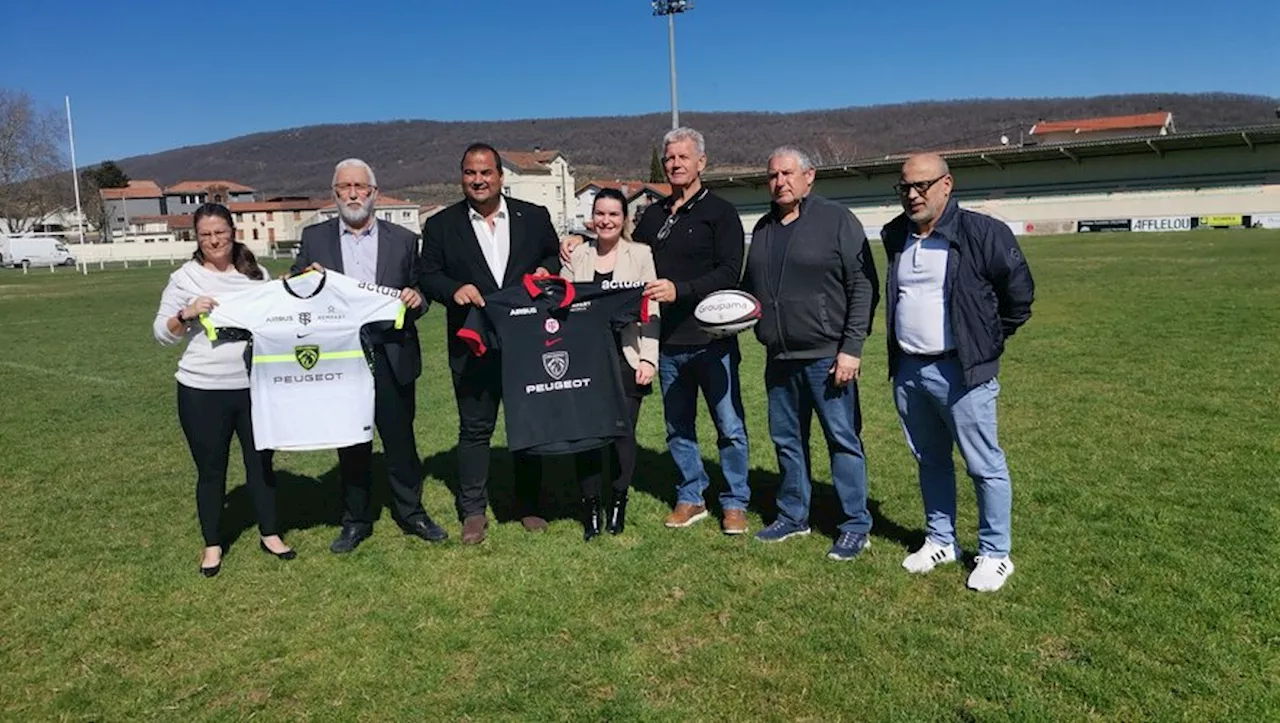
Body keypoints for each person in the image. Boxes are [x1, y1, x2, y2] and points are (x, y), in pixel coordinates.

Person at [562, 127, 750, 534]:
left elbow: (730, 272)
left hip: (711, 339)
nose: (676, 164)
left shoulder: (721, 213)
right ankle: (690, 496)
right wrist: (580, 235)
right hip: (666, 341)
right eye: (669, 158)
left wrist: (680, 290)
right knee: (677, 427)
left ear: (702, 162)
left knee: (729, 425)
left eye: (684, 157)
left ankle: (735, 502)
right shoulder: (654, 215)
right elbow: (620, 242)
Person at [881, 153, 1035, 592]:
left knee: (984, 465)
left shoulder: (984, 233)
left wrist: (984, 342)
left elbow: (1018, 298)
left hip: (963, 372)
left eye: (922, 186)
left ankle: (994, 552)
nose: (912, 195)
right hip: (910, 370)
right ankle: (941, 540)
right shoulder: (895, 234)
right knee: (929, 460)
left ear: (947, 185)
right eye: (905, 187)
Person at [292, 158, 446, 553]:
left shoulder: (404, 239)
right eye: (345, 187)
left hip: (392, 355)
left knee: (400, 442)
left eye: (361, 186)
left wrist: (418, 299)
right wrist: (302, 279)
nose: (354, 193)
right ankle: (356, 520)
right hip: (341, 360)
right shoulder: (315, 239)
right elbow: (294, 288)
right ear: (335, 194)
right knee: (351, 443)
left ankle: (411, 513)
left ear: (374, 193)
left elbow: (420, 289)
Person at [741, 147, 880, 560]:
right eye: (772, 175)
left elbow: (863, 287)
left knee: (842, 439)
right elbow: (752, 289)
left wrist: (850, 349)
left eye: (787, 173)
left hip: (827, 356)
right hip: (780, 357)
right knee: (787, 440)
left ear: (809, 177)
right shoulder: (764, 228)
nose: (779, 181)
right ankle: (793, 514)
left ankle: (855, 524)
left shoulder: (837, 220)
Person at [420, 143, 561, 545]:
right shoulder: (442, 225)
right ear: (461, 176)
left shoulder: (533, 217)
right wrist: (453, 289)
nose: (478, 180)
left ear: (501, 176)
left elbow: (552, 255)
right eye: (469, 173)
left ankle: (530, 504)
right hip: (472, 343)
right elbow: (427, 274)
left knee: (528, 425)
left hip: (526, 342)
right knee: (475, 429)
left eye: (485, 173)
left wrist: (544, 269)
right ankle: (474, 510)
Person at [153, 203, 293, 576]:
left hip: (253, 387)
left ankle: (271, 533)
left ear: (233, 232)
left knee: (261, 465)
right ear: (196, 239)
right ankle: (213, 545)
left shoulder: (256, 274)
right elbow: (161, 334)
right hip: (201, 390)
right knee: (211, 471)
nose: (214, 240)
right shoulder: (184, 278)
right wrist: (186, 314)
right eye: (205, 235)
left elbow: (276, 320)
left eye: (220, 232)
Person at [562, 188, 660, 539]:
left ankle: (618, 500)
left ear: (624, 219)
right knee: (588, 436)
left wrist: (648, 358)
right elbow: (563, 308)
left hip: (627, 358)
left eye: (613, 215)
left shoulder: (641, 254)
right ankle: (590, 506)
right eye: (600, 214)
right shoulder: (577, 256)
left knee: (622, 435)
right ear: (592, 217)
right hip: (586, 361)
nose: (606, 221)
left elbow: (651, 312)